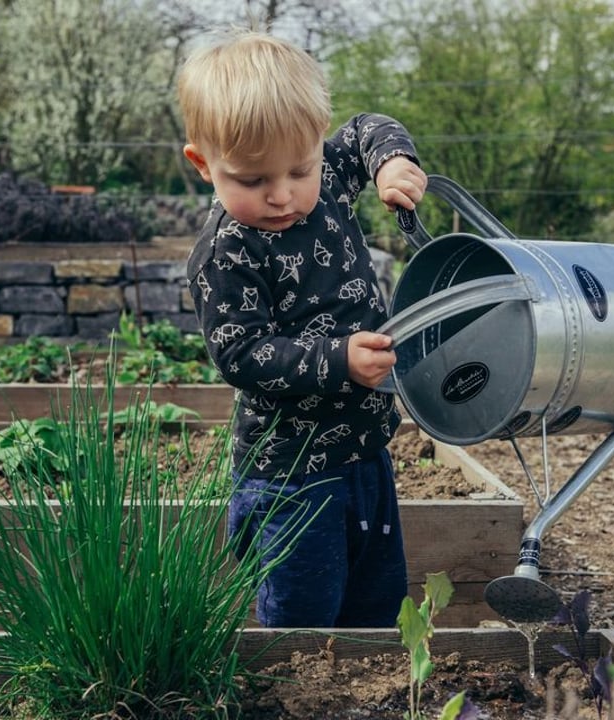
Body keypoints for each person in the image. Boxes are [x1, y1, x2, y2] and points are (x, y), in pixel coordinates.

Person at [176, 28, 428, 628]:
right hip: (291, 477)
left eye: (299, 168)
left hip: (367, 453)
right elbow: (241, 353)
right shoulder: (227, 253)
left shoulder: (332, 176)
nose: (283, 195)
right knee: (303, 620)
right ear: (202, 164)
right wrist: (338, 359)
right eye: (251, 180)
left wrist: (393, 162)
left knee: (377, 602)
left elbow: (369, 126)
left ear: (317, 144)